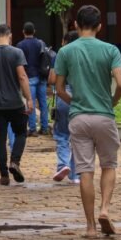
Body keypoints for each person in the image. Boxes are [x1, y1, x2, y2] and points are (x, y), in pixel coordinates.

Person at [54, 5, 121, 238]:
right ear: (99, 26)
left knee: (85, 170)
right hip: (104, 115)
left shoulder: (66, 51)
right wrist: (112, 101)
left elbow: (58, 88)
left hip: (79, 117)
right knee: (109, 165)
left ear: (76, 25)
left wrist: (73, 100)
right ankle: (104, 210)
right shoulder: (110, 50)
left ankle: (90, 227)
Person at [0, 24, 33, 186]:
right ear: (9, 35)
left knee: (0, 139)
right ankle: (14, 161)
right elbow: (22, 77)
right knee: (21, 133)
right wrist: (29, 98)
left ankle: (4, 175)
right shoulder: (17, 53)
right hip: (15, 102)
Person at [48, 30, 80, 184]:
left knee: (62, 134)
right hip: (81, 96)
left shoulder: (62, 53)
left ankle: (63, 164)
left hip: (64, 95)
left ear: (65, 41)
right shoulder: (83, 52)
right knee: (79, 137)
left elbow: (53, 79)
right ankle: (76, 175)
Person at [16, 22, 49, 136]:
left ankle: (33, 128)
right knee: (43, 103)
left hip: (29, 76)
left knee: (31, 102)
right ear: (34, 31)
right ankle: (44, 128)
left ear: (23, 32)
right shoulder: (40, 43)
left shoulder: (20, 45)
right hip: (42, 76)